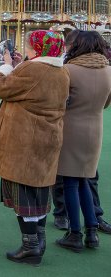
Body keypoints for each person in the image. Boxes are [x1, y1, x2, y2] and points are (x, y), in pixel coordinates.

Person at [0, 30, 69, 266]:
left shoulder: (33, 69)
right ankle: (38, 240)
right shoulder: (61, 70)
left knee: (23, 192)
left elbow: (0, 88)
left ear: (38, 48)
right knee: (39, 191)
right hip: (48, 138)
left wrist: (5, 66)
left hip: (24, 141)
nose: (27, 50)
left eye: (29, 46)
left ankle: (30, 245)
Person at [54, 30, 111, 251]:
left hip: (71, 129)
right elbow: (106, 103)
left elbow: (61, 101)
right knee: (85, 180)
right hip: (95, 130)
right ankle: (92, 231)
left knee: (69, 182)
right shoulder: (108, 71)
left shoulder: (69, 70)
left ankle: (75, 232)